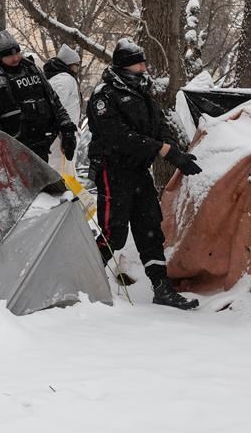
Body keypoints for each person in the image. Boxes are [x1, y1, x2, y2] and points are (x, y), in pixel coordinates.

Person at [86, 38, 203, 310]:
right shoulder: (105, 96)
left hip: (139, 171)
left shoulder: (141, 91)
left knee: (150, 229)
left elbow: (158, 124)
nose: (144, 67)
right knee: (113, 233)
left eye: (143, 63)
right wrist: (162, 150)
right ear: (125, 66)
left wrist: (173, 150)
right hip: (113, 171)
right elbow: (119, 137)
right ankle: (82, 280)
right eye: (139, 63)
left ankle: (162, 287)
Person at [0, 30, 76, 162]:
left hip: (42, 143)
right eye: (9, 55)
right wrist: (2, 142)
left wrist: (67, 128)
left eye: (17, 53)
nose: (15, 58)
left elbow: (53, 100)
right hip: (14, 149)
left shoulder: (33, 70)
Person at [44, 44, 82, 171]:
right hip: (61, 136)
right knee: (60, 168)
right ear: (70, 64)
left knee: (62, 167)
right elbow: (57, 107)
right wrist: (66, 132)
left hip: (62, 133)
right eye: (76, 65)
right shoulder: (65, 80)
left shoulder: (59, 78)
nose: (77, 68)